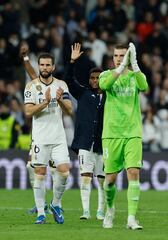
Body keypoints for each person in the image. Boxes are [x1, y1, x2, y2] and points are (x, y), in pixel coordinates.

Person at [99, 43, 148, 230]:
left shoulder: (135, 77)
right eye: (117, 55)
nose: (119, 58)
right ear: (113, 58)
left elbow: (144, 86)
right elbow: (105, 85)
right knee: (110, 179)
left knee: (133, 172)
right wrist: (119, 69)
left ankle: (131, 218)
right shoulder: (106, 75)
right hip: (112, 134)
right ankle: (110, 210)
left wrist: (135, 64)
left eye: (123, 55)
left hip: (133, 132)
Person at [23, 50, 73, 224]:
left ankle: (56, 204)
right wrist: (44, 102)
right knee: (40, 173)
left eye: (47, 65)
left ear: (53, 67)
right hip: (40, 138)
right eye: (42, 65)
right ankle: (40, 213)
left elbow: (70, 110)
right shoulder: (31, 87)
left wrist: (58, 100)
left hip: (58, 137)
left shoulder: (61, 85)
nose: (44, 68)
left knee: (65, 172)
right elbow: (28, 111)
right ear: (39, 66)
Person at [65, 43, 105, 220]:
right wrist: (72, 62)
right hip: (84, 142)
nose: (94, 80)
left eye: (98, 78)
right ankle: (86, 210)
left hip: (103, 143)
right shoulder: (83, 94)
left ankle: (101, 210)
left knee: (103, 180)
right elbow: (69, 80)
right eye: (92, 78)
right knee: (85, 176)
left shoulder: (110, 97)